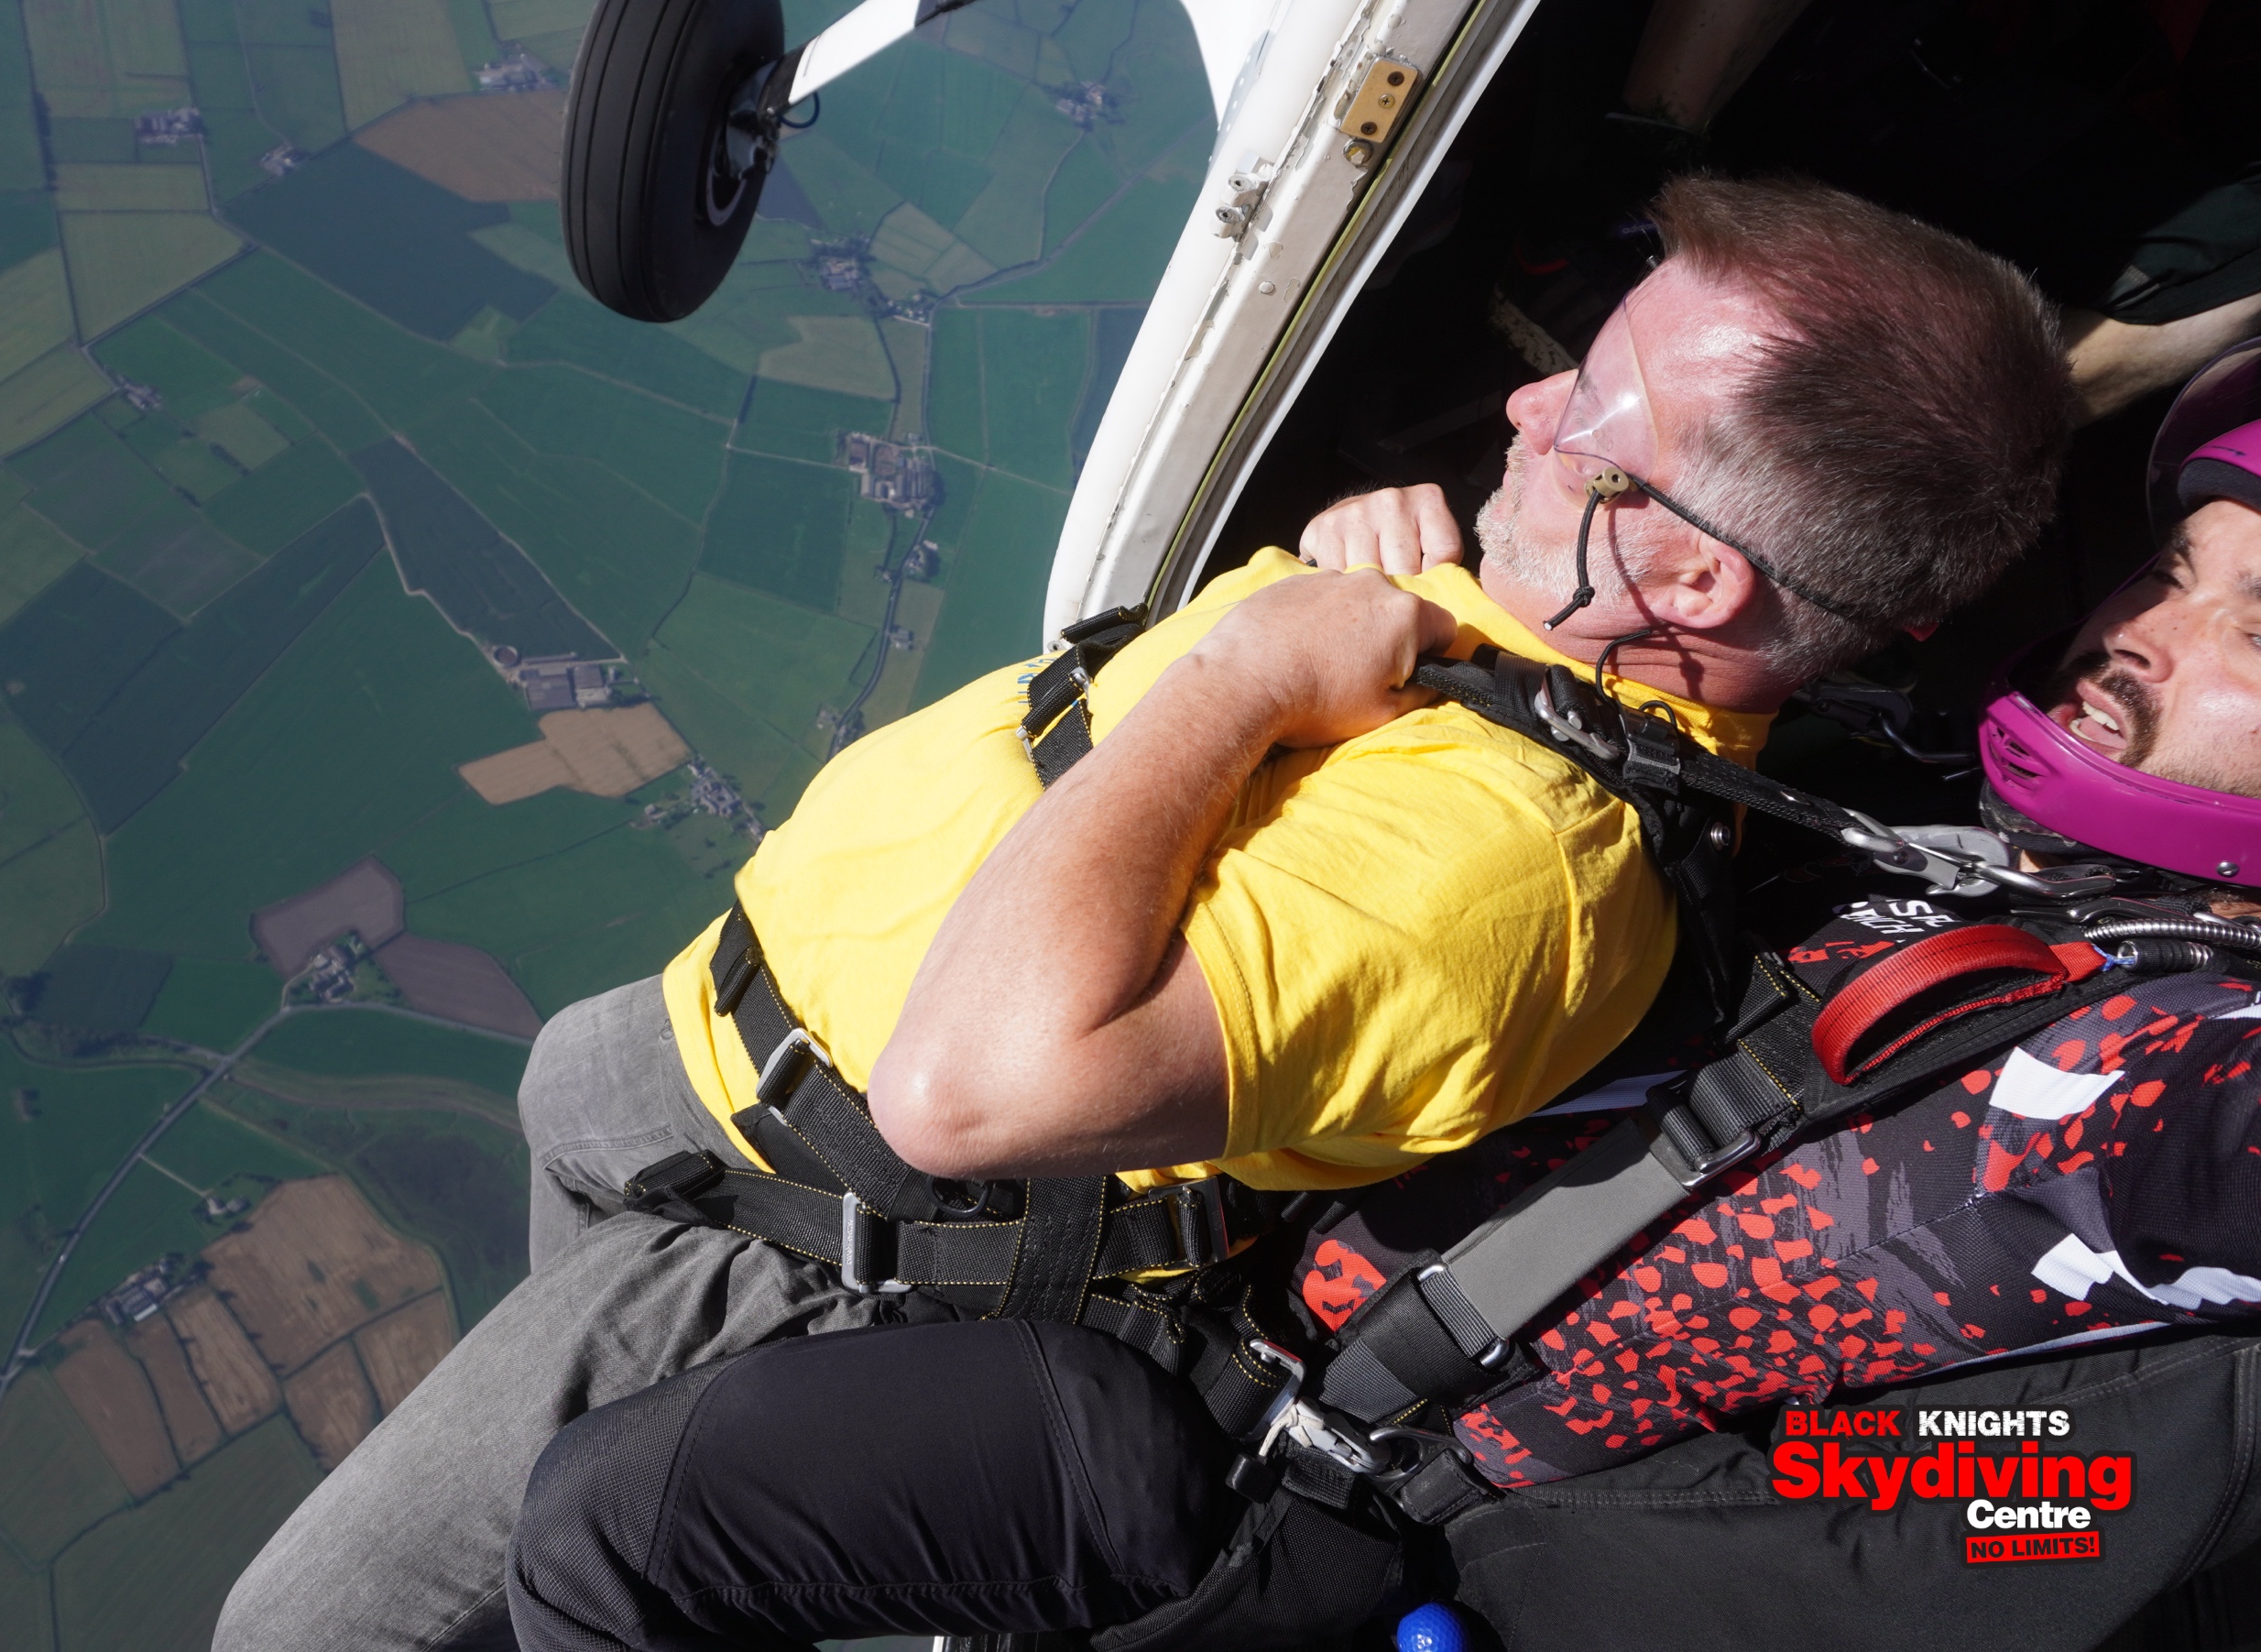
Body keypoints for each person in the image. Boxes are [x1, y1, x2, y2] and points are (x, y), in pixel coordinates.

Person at [212, 177, 2070, 1652]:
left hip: (801, 1230)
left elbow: (972, 1088)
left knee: (304, 1630)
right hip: (689, 1074)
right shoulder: (1517, 628)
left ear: (1686, 573)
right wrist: (1353, 586)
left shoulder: (1510, 883)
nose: (1521, 401)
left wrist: (1245, 666)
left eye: (1586, 408)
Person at [499, 354, 2261, 1652]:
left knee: (618, 1539)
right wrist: (1440, 592)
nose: (2140, 631)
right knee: (594, 1288)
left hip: (1338, 1529)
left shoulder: (2211, 1088)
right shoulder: (1936, 806)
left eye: (2253, 629)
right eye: (2173, 570)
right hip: (1211, 1322)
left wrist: (1538, 1575)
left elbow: (2036, 1499)